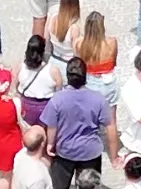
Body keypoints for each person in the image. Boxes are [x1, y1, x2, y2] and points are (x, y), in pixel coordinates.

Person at [41, 58, 116, 189]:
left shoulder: (57, 99)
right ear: (85, 75)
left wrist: (50, 144)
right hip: (90, 153)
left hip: (65, 151)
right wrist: (114, 154)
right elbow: (110, 126)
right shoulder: (98, 99)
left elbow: (52, 126)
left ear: (68, 77)